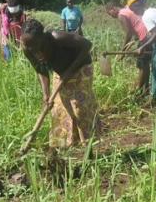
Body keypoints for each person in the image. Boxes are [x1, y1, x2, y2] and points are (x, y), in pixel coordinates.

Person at [20, 19, 101, 149]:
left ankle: (89, 149)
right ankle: (61, 148)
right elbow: (40, 70)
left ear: (42, 36)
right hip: (60, 71)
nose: (32, 49)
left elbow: (87, 44)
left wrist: (70, 69)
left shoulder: (57, 37)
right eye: (28, 45)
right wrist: (45, 94)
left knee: (79, 108)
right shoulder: (27, 48)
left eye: (34, 44)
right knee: (58, 111)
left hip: (80, 68)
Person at [105, 0, 151, 98]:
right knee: (145, 65)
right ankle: (145, 90)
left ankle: (138, 91)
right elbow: (137, 25)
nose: (111, 16)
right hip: (148, 35)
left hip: (144, 37)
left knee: (142, 66)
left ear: (113, 9)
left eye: (110, 14)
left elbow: (128, 34)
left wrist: (123, 52)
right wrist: (129, 47)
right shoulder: (127, 8)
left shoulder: (121, 14)